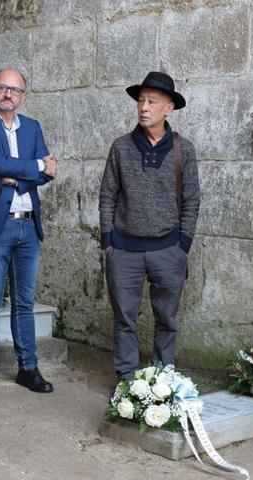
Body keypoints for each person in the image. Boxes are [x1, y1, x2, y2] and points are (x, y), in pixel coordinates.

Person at [98, 71, 200, 379]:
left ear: (168, 108)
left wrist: (182, 245)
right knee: (124, 320)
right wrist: (107, 241)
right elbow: (107, 196)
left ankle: (163, 381)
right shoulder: (121, 147)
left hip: (168, 249)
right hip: (124, 251)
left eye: (152, 101)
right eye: (141, 100)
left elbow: (192, 200)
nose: (144, 107)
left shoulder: (185, 149)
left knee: (167, 319)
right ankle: (127, 383)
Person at [0, 68, 57, 399]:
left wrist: (20, 175)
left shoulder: (32, 127)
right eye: (3, 88)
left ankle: (28, 368)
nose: (8, 94)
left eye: (15, 90)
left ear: (23, 96)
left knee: (24, 301)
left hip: (28, 224)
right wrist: (35, 168)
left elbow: (48, 174)